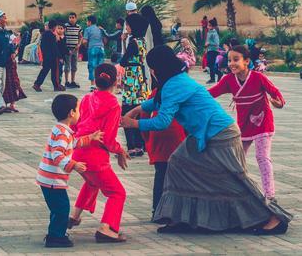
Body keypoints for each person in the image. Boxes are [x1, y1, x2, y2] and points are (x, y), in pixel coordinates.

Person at [121, 43, 292, 235]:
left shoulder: (174, 84)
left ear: (157, 68)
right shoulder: (175, 80)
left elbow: (162, 122)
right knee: (178, 163)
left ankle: (273, 218)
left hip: (221, 134)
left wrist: (134, 124)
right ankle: (182, 218)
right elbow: (158, 101)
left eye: (151, 67)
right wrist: (137, 110)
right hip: (206, 133)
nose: (151, 71)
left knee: (233, 178)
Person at [210, 46, 285, 199]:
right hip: (243, 126)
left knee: (262, 157)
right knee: (236, 159)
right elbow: (211, 93)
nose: (231, 63)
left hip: (263, 123)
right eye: (229, 60)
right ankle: (238, 192)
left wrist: (278, 102)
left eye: (236, 60)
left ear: (247, 61)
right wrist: (190, 97)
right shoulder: (229, 80)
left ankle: (270, 195)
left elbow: (276, 94)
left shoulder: (258, 77)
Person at [69, 63, 130, 243]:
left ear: (95, 80)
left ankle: (74, 216)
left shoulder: (86, 98)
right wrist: (120, 150)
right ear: (116, 82)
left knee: (92, 182)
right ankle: (107, 228)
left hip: (78, 152)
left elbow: (74, 126)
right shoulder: (114, 105)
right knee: (117, 193)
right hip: (96, 157)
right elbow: (109, 140)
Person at [36, 93, 98, 249]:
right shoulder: (63, 134)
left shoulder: (61, 130)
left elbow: (74, 143)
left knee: (57, 208)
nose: (79, 113)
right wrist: (73, 164)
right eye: (78, 110)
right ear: (71, 113)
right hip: (52, 180)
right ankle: (56, 237)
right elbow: (58, 155)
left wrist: (90, 138)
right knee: (62, 208)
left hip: (49, 178)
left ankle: (54, 233)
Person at [141, 86, 187, 212]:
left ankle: (157, 210)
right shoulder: (182, 89)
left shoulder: (157, 90)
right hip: (177, 135)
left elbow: (144, 113)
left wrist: (147, 138)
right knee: (178, 176)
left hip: (158, 135)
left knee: (160, 174)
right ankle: (175, 210)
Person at [119, 8, 149, 157]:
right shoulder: (142, 41)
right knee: (138, 112)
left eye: (128, 25)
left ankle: (131, 146)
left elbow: (123, 61)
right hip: (140, 78)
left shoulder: (133, 43)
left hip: (132, 79)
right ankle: (140, 145)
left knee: (126, 112)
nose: (127, 28)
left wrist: (123, 43)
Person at [34, 20, 65, 91]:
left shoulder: (44, 34)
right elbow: (54, 47)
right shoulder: (52, 35)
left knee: (44, 71)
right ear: (54, 27)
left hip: (46, 56)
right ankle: (56, 86)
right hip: (53, 57)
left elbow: (42, 46)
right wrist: (59, 56)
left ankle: (37, 84)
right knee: (55, 72)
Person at [3, 28, 27, 113]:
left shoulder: (6, 43)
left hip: (8, 68)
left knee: (9, 85)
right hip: (10, 68)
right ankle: (10, 105)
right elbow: (13, 56)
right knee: (11, 85)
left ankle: (7, 105)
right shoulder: (10, 44)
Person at [82, 16, 106, 85]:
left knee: (92, 66)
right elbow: (105, 40)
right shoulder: (100, 29)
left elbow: (84, 41)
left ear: (89, 22)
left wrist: (86, 46)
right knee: (100, 67)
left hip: (92, 48)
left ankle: (93, 84)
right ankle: (100, 84)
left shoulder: (87, 29)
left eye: (87, 21)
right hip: (101, 48)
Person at [62, 12, 83, 88]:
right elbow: (63, 36)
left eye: (73, 17)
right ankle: (66, 81)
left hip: (75, 49)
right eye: (70, 17)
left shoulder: (78, 27)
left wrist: (79, 44)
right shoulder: (66, 26)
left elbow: (80, 37)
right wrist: (64, 47)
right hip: (67, 49)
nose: (71, 19)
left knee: (74, 65)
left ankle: (73, 81)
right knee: (67, 65)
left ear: (76, 18)